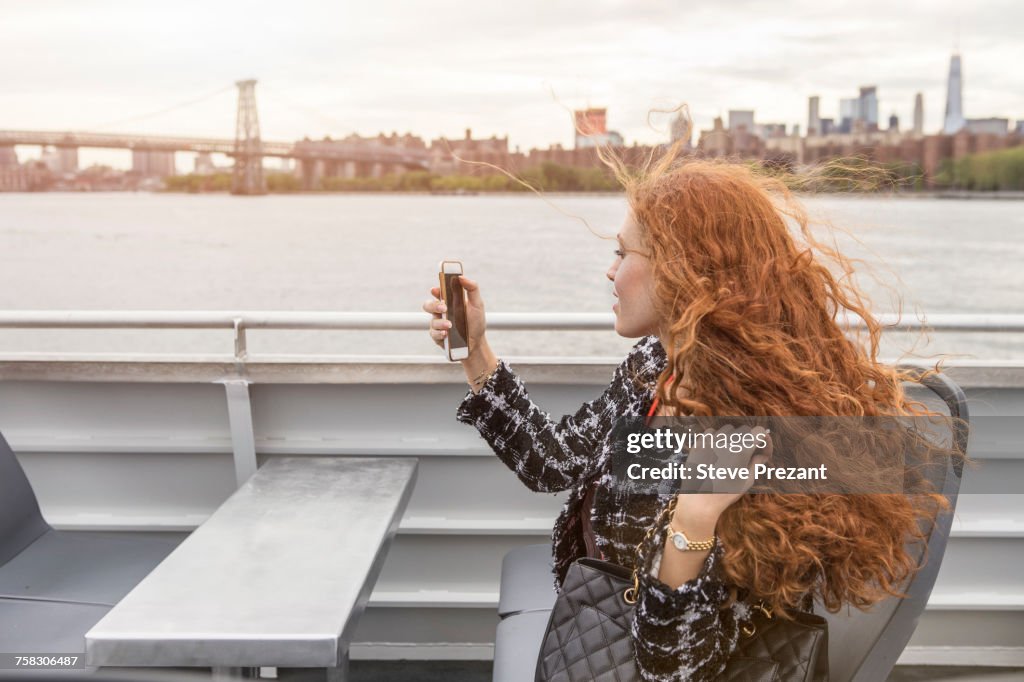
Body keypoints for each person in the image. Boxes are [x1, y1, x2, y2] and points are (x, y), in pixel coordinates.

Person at [421, 144, 950, 680]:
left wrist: (695, 517)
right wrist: (478, 351)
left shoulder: (742, 427)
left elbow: (674, 670)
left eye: (623, 254)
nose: (610, 272)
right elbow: (557, 463)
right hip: (605, 626)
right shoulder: (660, 365)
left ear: (684, 271)